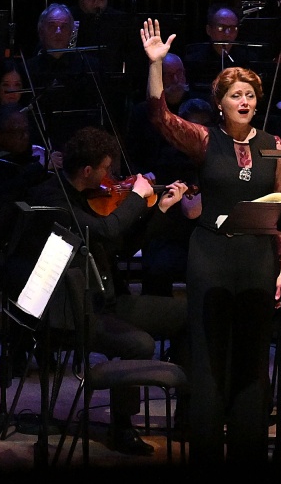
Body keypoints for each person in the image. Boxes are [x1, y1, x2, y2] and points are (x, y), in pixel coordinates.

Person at [137, 22, 281, 462]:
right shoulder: (206, 140)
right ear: (220, 104)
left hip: (260, 259)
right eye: (234, 95)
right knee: (208, 360)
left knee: (252, 363)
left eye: (249, 95)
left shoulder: (273, 143)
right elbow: (161, 117)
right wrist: (156, 66)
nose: (244, 102)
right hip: (212, 257)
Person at [12, 125, 190, 454]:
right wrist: (136, 196)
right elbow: (107, 230)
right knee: (139, 343)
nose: (113, 176)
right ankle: (122, 427)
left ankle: (187, 416)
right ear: (88, 170)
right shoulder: (55, 199)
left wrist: (160, 209)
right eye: (107, 168)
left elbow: (119, 246)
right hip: (73, 313)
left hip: (106, 299)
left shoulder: (92, 197)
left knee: (190, 313)